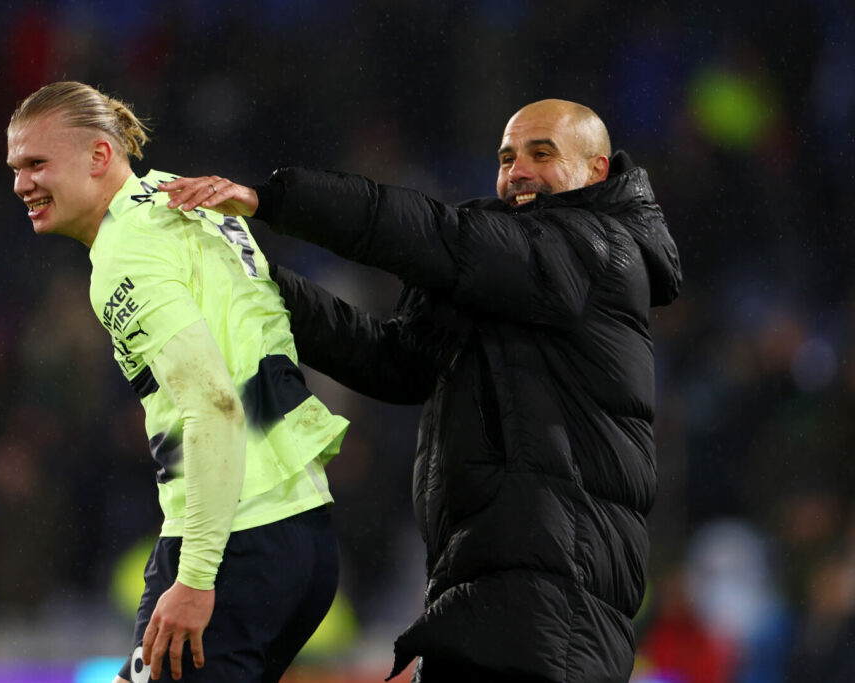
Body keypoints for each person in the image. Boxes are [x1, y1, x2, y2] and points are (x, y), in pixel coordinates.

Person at [160, 99, 682, 682]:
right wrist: (254, 279)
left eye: (542, 154)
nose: (518, 172)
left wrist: (273, 200)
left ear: (596, 170)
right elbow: (394, 362)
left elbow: (441, 238)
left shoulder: (597, 248)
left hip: (554, 613)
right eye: (506, 158)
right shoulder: (513, 275)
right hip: (486, 598)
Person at [5, 81, 349, 682]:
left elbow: (215, 406)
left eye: (37, 164)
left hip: (232, 539)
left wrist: (194, 577)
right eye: (15, 168)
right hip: (304, 533)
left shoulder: (126, 251)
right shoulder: (186, 198)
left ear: (99, 155)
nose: (21, 184)